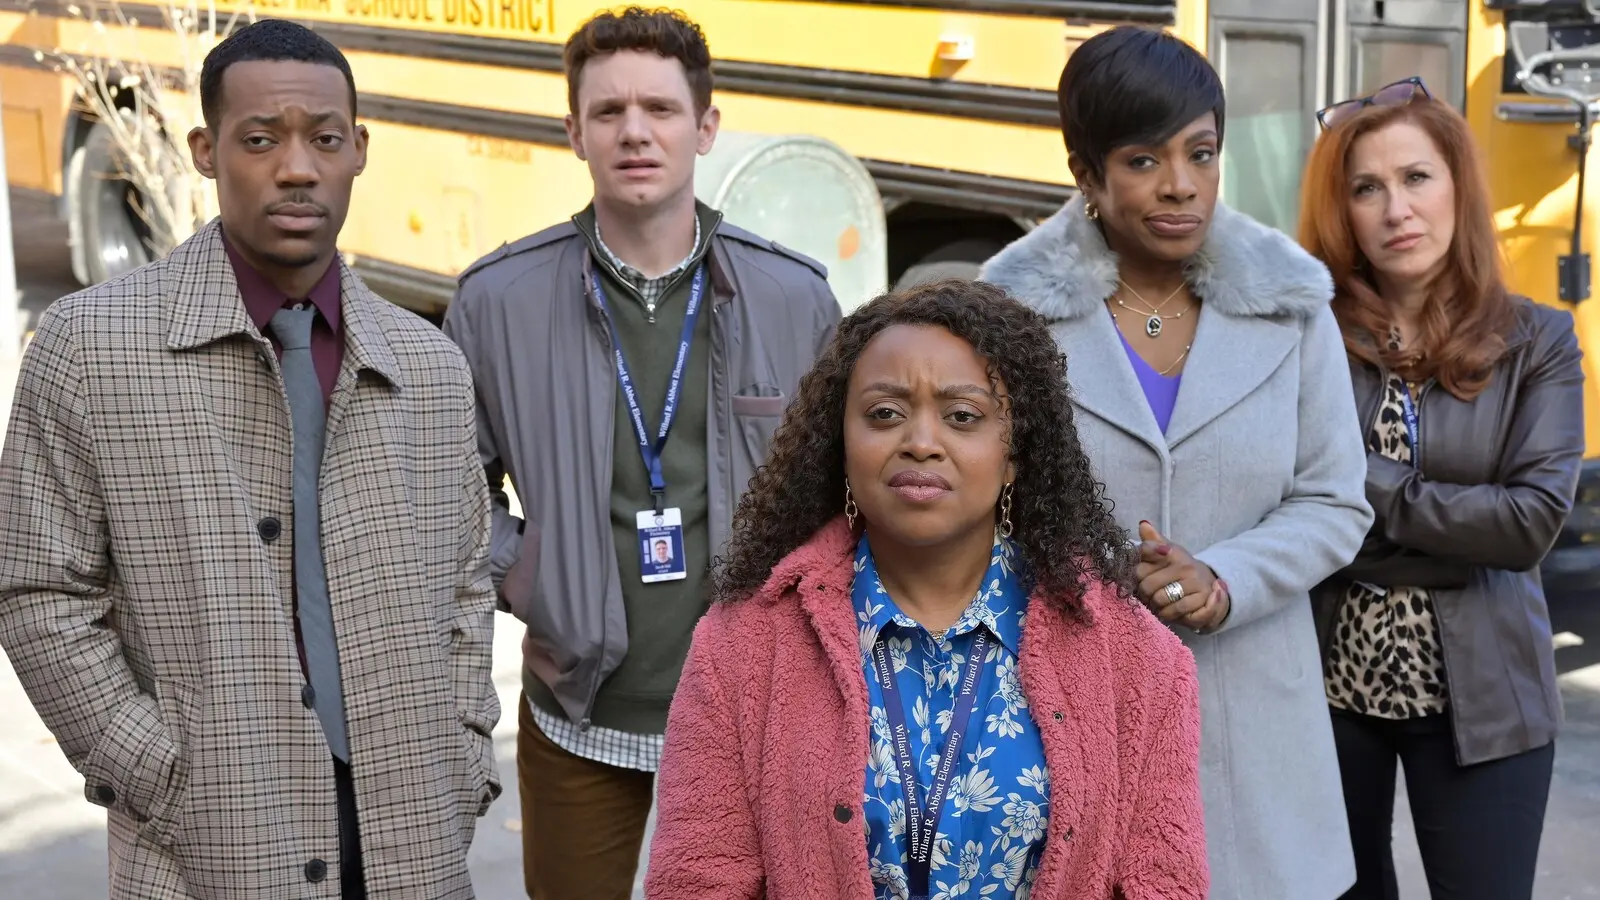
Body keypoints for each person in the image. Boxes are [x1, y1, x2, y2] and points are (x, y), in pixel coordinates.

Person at [0, 18, 499, 900]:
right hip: (210, 845)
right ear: (204, 149)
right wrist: (158, 771)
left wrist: (461, 752)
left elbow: (463, 582)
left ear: (360, 151)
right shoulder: (92, 347)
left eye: (325, 139)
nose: (297, 167)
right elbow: (38, 590)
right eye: (260, 139)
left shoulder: (427, 364)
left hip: (412, 834)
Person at [440, 7, 840, 898]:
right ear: (573, 130)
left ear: (704, 128)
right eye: (609, 111)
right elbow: (447, 491)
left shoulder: (792, 297)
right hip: (582, 710)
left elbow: (842, 495)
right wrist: (531, 574)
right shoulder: (498, 301)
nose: (634, 132)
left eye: (659, 110)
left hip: (761, 713)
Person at [644, 278, 1208, 900]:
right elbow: (696, 882)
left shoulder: (1137, 659)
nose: (920, 442)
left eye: (962, 416)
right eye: (884, 413)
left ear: (1016, 452)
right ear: (841, 444)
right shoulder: (742, 646)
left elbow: (1166, 884)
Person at [979, 25, 1373, 900]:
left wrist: (1223, 579)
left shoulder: (1294, 305)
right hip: (1069, 712)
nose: (1181, 184)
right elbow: (979, 512)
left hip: (1255, 734)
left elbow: (1335, 501)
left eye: (1201, 152)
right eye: (1143, 160)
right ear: (1087, 173)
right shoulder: (1004, 316)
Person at [1298, 78, 1583, 900]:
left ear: (1457, 183)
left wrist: (1359, 484)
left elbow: (1527, 526)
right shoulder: (1309, 337)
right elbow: (1285, 502)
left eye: (1417, 177)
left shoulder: (1539, 340)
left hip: (1490, 703)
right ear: (1342, 212)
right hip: (1324, 696)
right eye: (1367, 188)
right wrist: (1453, 539)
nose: (1396, 209)